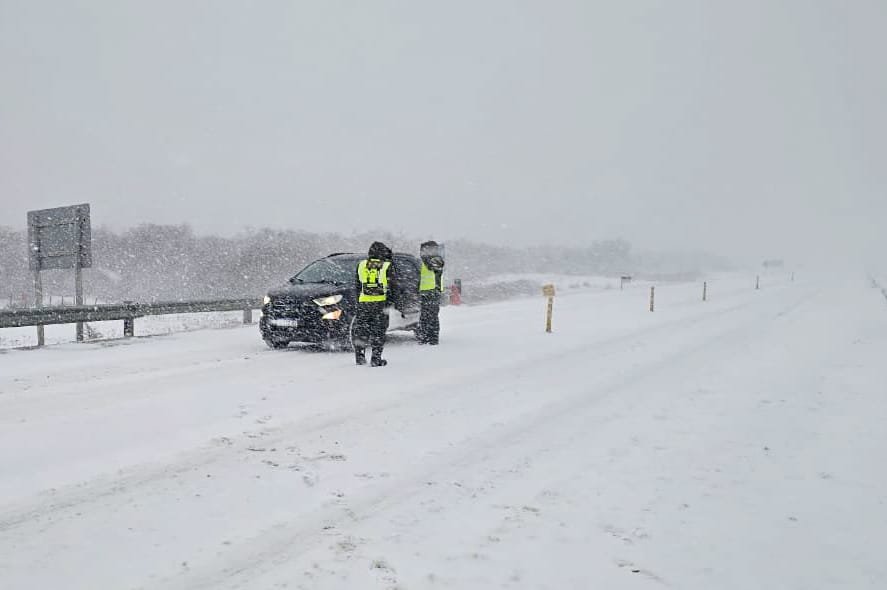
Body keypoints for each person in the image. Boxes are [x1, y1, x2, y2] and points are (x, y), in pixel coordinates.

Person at [353, 241, 395, 366]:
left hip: (363, 304)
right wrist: (390, 303)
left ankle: (360, 357)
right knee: (379, 331)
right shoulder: (386, 266)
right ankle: (376, 359)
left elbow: (357, 286)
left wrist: (359, 301)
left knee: (361, 331)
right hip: (380, 304)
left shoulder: (361, 265)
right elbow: (393, 287)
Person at [418, 240, 445, 345]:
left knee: (432, 316)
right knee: (424, 316)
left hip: (433, 291)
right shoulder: (424, 260)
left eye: (425, 249)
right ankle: (424, 337)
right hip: (425, 292)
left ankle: (433, 339)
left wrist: (424, 257)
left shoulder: (437, 259)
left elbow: (431, 266)